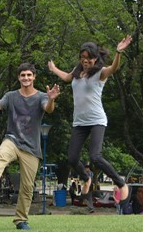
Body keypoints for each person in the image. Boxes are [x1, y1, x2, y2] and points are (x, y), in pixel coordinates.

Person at [47, 36, 133, 204]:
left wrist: (118, 53)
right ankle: (86, 179)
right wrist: (54, 68)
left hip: (97, 121)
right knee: (72, 158)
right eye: (83, 58)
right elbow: (66, 78)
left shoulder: (100, 73)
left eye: (89, 58)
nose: (85, 61)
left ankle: (121, 183)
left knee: (95, 157)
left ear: (95, 58)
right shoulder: (77, 71)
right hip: (79, 123)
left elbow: (114, 68)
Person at [0, 63, 60, 230]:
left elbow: (48, 109)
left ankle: (21, 220)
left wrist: (51, 98)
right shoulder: (11, 96)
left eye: (29, 75)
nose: (26, 78)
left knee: (27, 187)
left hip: (32, 147)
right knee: (1, 155)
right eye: (23, 75)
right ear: (18, 78)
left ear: (34, 77)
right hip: (13, 140)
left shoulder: (41, 96)